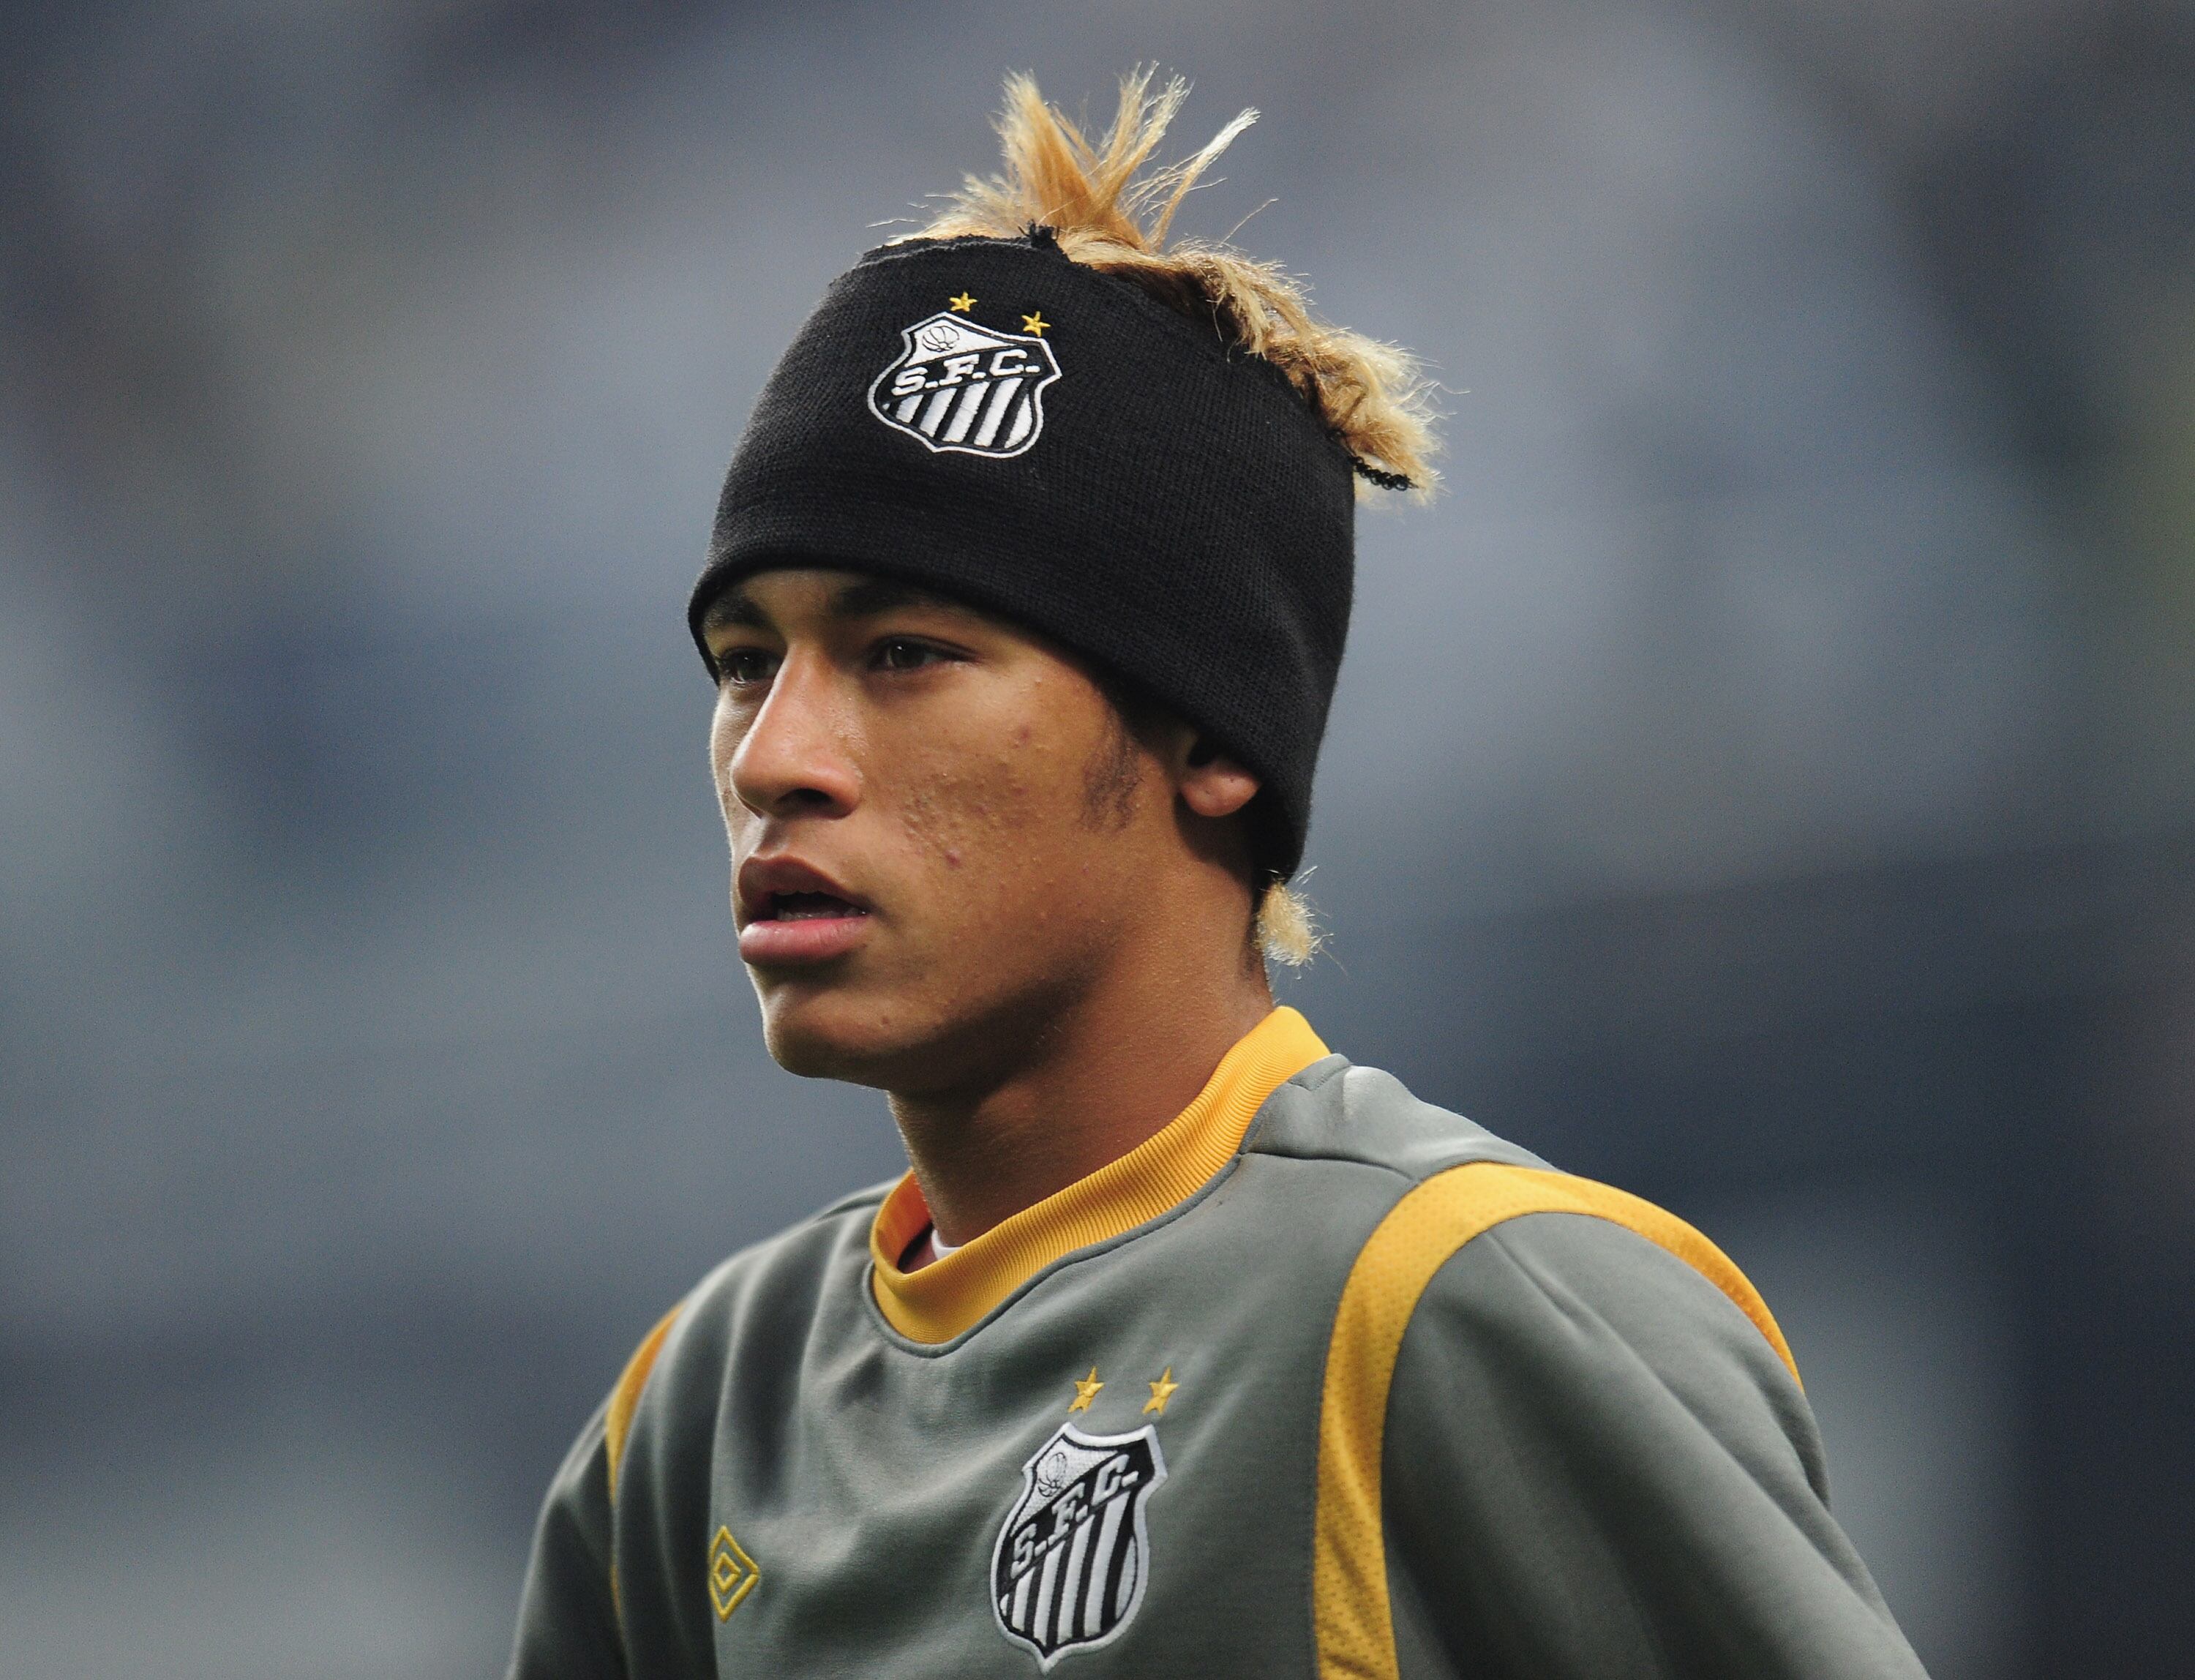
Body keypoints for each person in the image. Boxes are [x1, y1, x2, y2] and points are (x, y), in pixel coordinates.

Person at [507, 71, 1928, 1679]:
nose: (776, 756)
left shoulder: (1454, 1305)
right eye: (744, 661)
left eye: (904, 651)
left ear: (1211, 738)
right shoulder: (688, 1421)